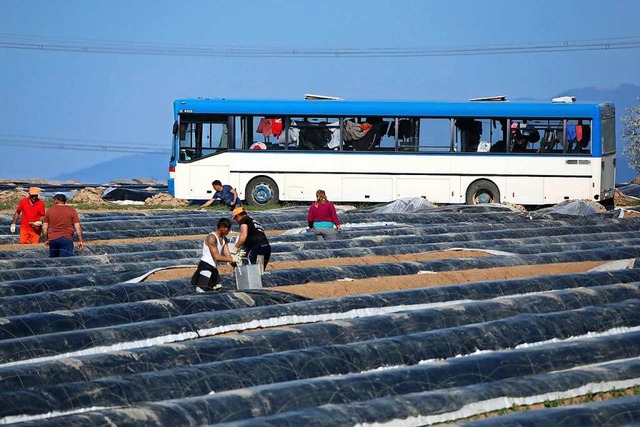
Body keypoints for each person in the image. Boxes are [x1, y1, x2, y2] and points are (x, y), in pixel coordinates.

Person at [191, 218, 240, 292]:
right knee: (201, 291)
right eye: (227, 229)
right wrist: (232, 259)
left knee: (216, 290)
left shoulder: (224, 239)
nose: (229, 231)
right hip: (205, 266)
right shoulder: (212, 238)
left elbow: (228, 256)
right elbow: (216, 257)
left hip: (213, 268)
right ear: (222, 227)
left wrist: (236, 266)